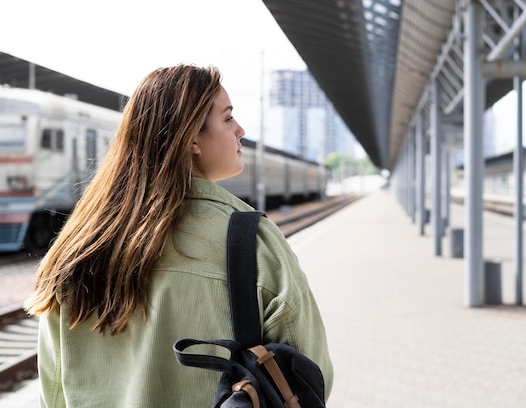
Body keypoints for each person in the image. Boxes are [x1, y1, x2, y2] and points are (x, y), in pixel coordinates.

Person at [25, 64, 333, 407]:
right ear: (191, 139)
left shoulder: (77, 247)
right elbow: (311, 374)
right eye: (228, 118)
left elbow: (52, 394)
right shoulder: (253, 240)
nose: (241, 130)